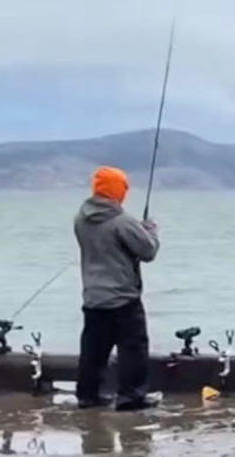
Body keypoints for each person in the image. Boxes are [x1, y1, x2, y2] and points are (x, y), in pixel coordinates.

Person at [73, 166, 160, 411]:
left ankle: (88, 396)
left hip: (93, 295)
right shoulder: (122, 222)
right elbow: (148, 251)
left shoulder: (81, 218)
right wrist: (149, 231)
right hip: (123, 296)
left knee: (93, 350)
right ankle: (131, 397)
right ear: (117, 190)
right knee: (133, 349)